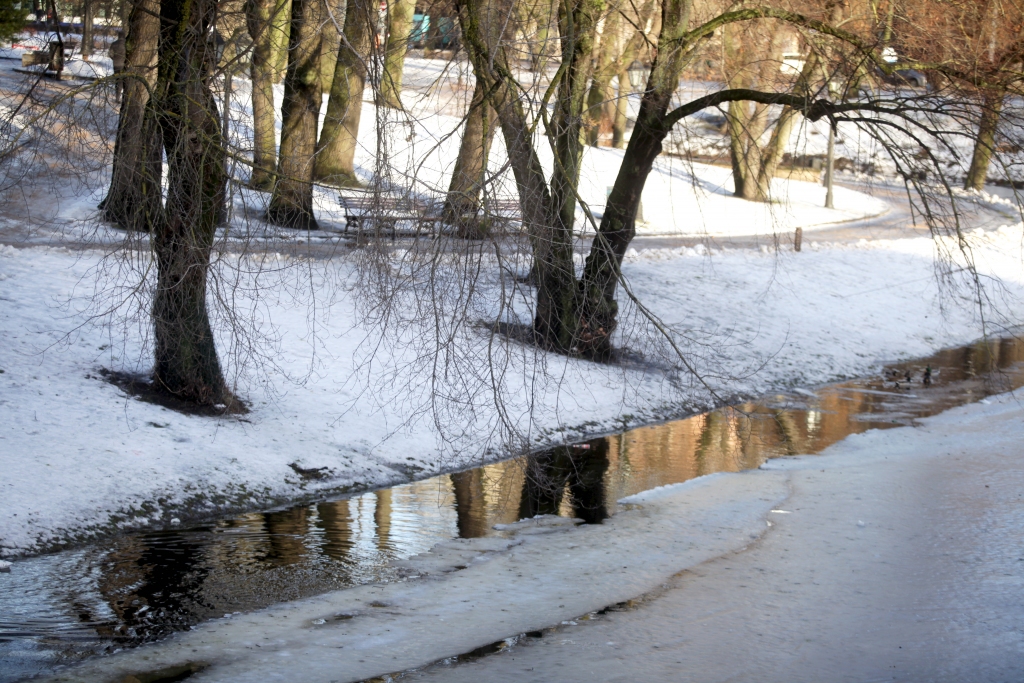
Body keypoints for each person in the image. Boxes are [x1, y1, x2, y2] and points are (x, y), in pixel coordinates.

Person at [109, 32, 125, 100]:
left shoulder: (114, 43)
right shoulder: (126, 44)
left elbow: (110, 54)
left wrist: (115, 59)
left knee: (117, 80)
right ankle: (124, 98)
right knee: (124, 81)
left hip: (116, 64)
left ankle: (117, 97)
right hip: (124, 64)